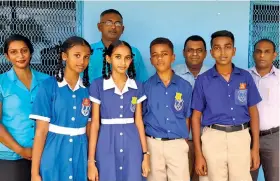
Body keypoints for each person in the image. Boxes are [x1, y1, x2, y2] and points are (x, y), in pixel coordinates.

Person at [192, 30, 262, 181]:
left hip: (241, 136)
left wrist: (255, 148)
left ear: (234, 50)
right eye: (217, 48)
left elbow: (254, 112)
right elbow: (196, 117)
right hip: (213, 137)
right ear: (211, 52)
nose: (223, 52)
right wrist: (198, 154)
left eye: (227, 47)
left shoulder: (245, 77)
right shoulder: (203, 80)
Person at [30, 36, 92, 181]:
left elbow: (90, 128)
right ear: (64, 56)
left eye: (86, 57)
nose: (82, 61)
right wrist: (34, 173)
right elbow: (41, 131)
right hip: (54, 151)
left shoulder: (88, 89)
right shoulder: (48, 86)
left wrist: (91, 161)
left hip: (80, 152)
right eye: (77, 55)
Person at [88, 40, 150, 181]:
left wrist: (146, 154)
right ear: (108, 58)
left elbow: (139, 122)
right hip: (106, 143)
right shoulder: (98, 85)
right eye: (118, 57)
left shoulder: (137, 87)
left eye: (127, 58)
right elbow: (95, 124)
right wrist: (91, 161)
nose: (123, 62)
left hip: (132, 144)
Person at [0, 34, 49, 181]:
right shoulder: (2, 82)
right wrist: (21, 150)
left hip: (44, 154)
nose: (20, 56)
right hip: (11, 157)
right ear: (7, 56)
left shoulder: (47, 81)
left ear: (31, 52)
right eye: (13, 52)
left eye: (24, 50)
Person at [143, 37, 192, 181]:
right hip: (153, 144)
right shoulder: (146, 87)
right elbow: (141, 116)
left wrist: (183, 141)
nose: (159, 58)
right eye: (155, 55)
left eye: (164, 54)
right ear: (151, 59)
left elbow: (187, 115)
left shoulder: (185, 86)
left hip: (177, 144)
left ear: (173, 57)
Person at [173, 35, 209, 181]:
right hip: (181, 141)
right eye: (190, 50)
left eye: (199, 50)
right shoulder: (173, 74)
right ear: (183, 52)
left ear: (206, 53)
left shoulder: (213, 74)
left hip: (207, 140)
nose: (194, 54)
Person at [88, 9, 148, 82]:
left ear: (122, 29)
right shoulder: (87, 51)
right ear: (99, 27)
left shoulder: (133, 52)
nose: (113, 27)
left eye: (117, 24)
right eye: (109, 23)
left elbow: (142, 81)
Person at [249, 39, 279, 181]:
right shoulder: (244, 77)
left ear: (274, 55)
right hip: (246, 137)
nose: (262, 55)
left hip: (273, 137)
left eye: (267, 52)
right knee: (246, 177)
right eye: (259, 51)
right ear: (253, 54)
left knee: (274, 177)